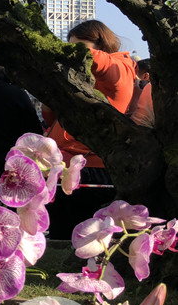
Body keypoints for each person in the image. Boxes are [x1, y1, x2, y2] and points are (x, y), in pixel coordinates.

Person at [43, 20, 136, 238]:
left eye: (79, 47)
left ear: (102, 44)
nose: (73, 55)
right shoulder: (83, 77)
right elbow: (52, 120)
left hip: (92, 167)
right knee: (62, 234)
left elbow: (99, 60)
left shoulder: (119, 67)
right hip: (68, 165)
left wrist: (60, 51)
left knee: (79, 236)